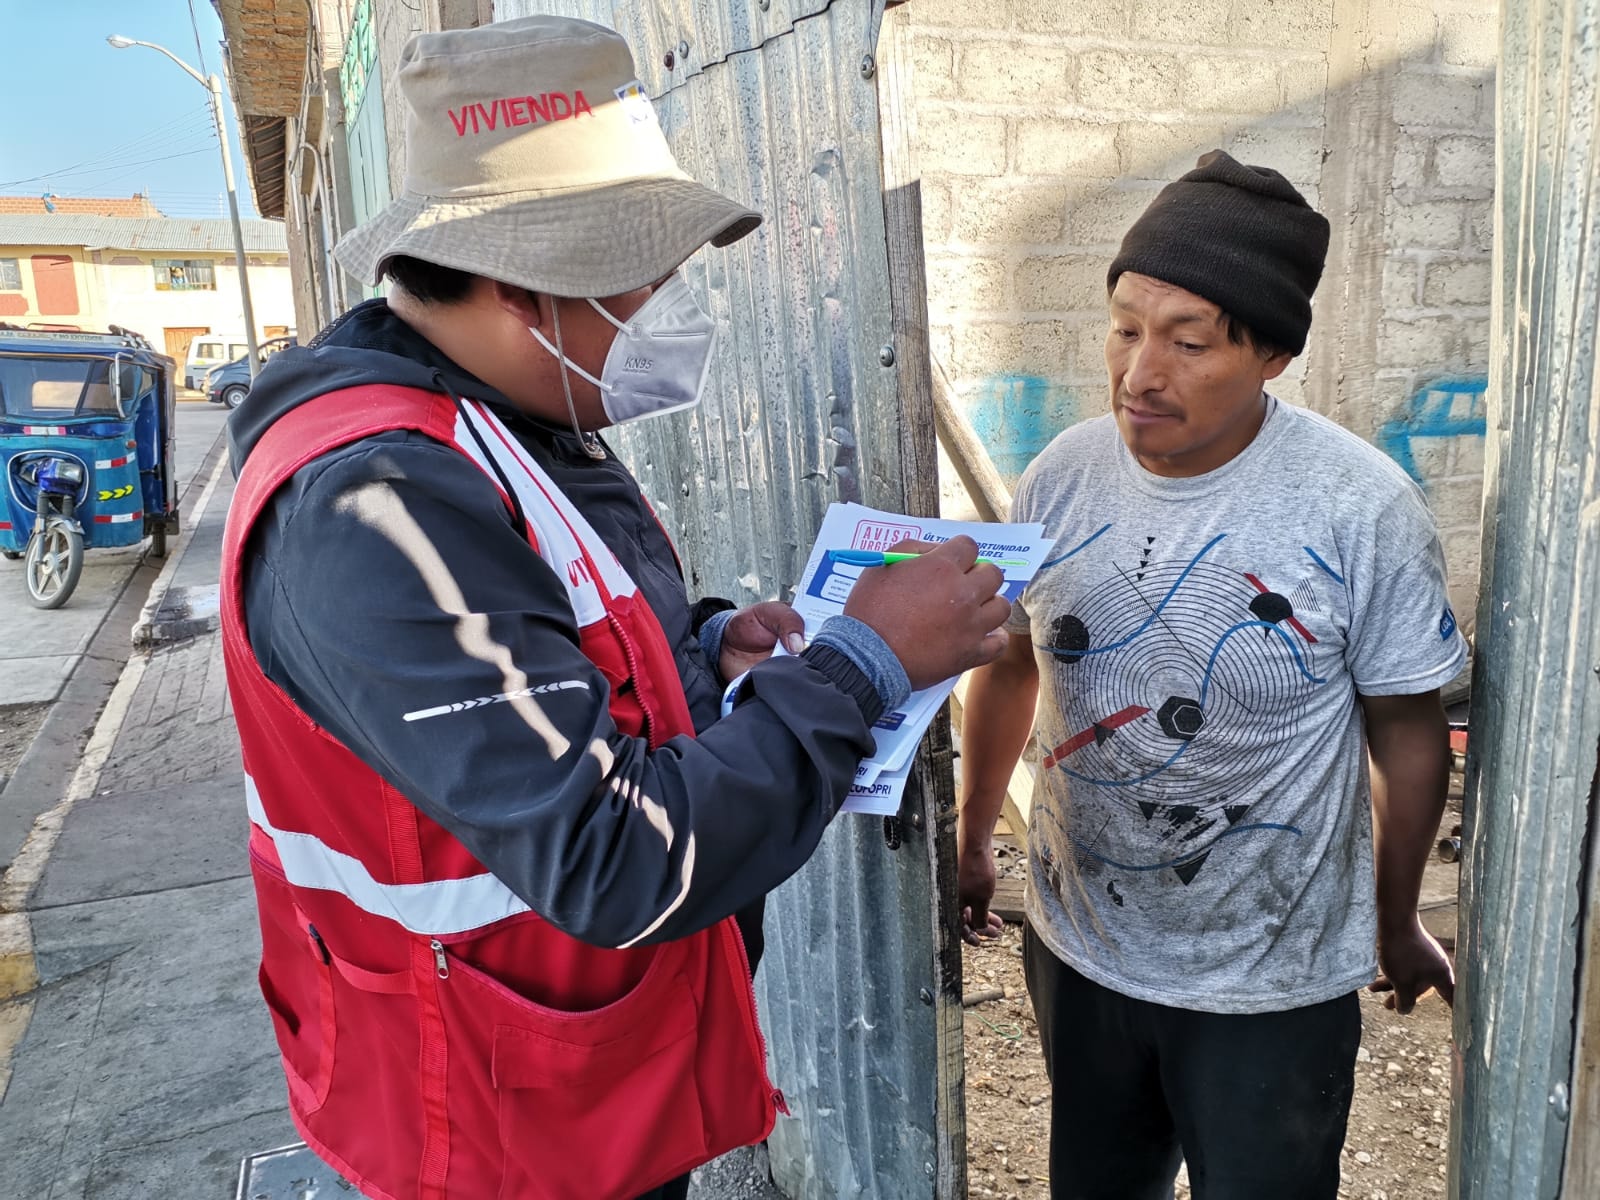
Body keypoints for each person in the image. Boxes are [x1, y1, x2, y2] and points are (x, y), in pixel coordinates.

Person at [219, 17, 1009, 1200]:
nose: (669, 304)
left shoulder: (505, 424)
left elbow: (541, 665)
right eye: (648, 273)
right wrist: (865, 666)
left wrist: (701, 652)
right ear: (521, 284)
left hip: (567, 1097)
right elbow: (612, 857)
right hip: (484, 1132)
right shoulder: (379, 507)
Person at [957, 150, 1465, 1200]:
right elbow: (1010, 662)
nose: (1141, 373)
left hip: (1268, 986)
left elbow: (1406, 735)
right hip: (1079, 949)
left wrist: (1395, 913)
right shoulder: (1059, 474)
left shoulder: (1358, 510)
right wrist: (970, 839)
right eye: (1126, 327)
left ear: (1273, 354)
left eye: (1188, 343)